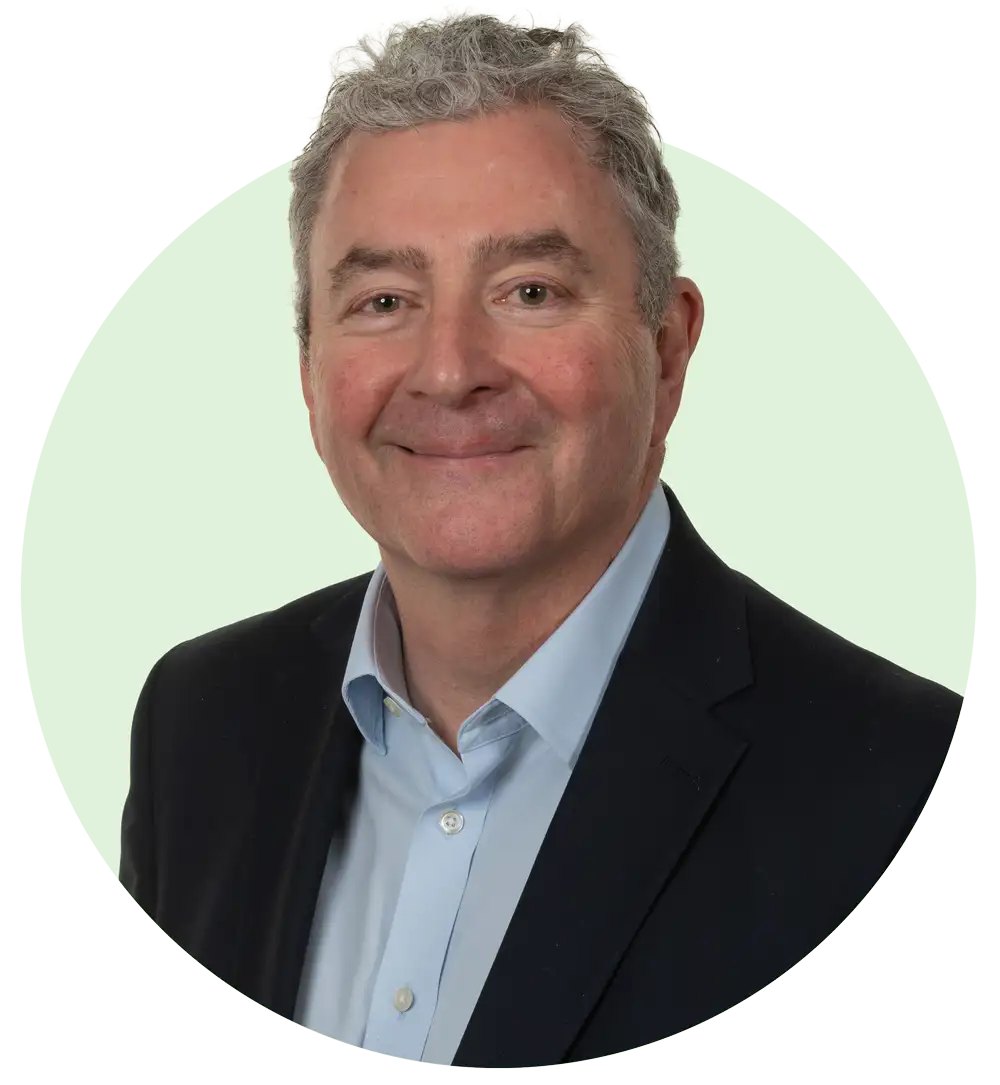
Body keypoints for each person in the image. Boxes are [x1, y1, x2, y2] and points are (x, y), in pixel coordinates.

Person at [118, 10, 962, 1068]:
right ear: (308, 370)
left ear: (667, 348)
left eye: (529, 291)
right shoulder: (198, 724)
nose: (449, 369)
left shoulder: (903, 786)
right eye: (383, 300)